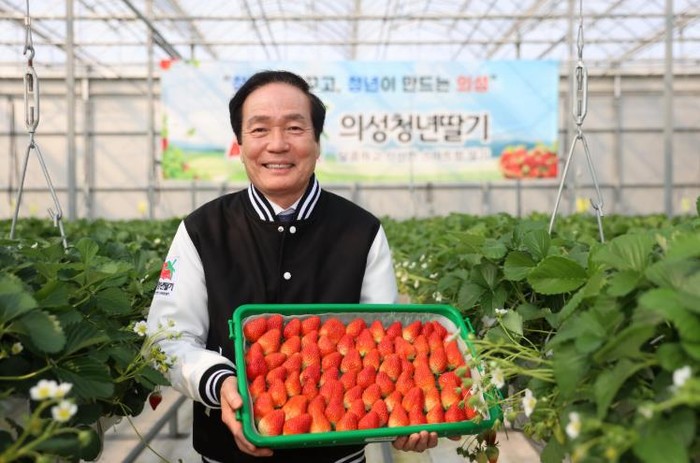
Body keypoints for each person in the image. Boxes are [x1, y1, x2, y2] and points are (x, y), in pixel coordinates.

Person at [146, 70, 442, 463]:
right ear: (240, 144)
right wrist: (221, 383)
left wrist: (404, 411)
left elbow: (383, 343)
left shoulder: (362, 231)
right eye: (259, 129)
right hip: (226, 453)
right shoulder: (202, 230)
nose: (277, 144)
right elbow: (167, 339)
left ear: (317, 143)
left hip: (337, 456)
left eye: (295, 128)